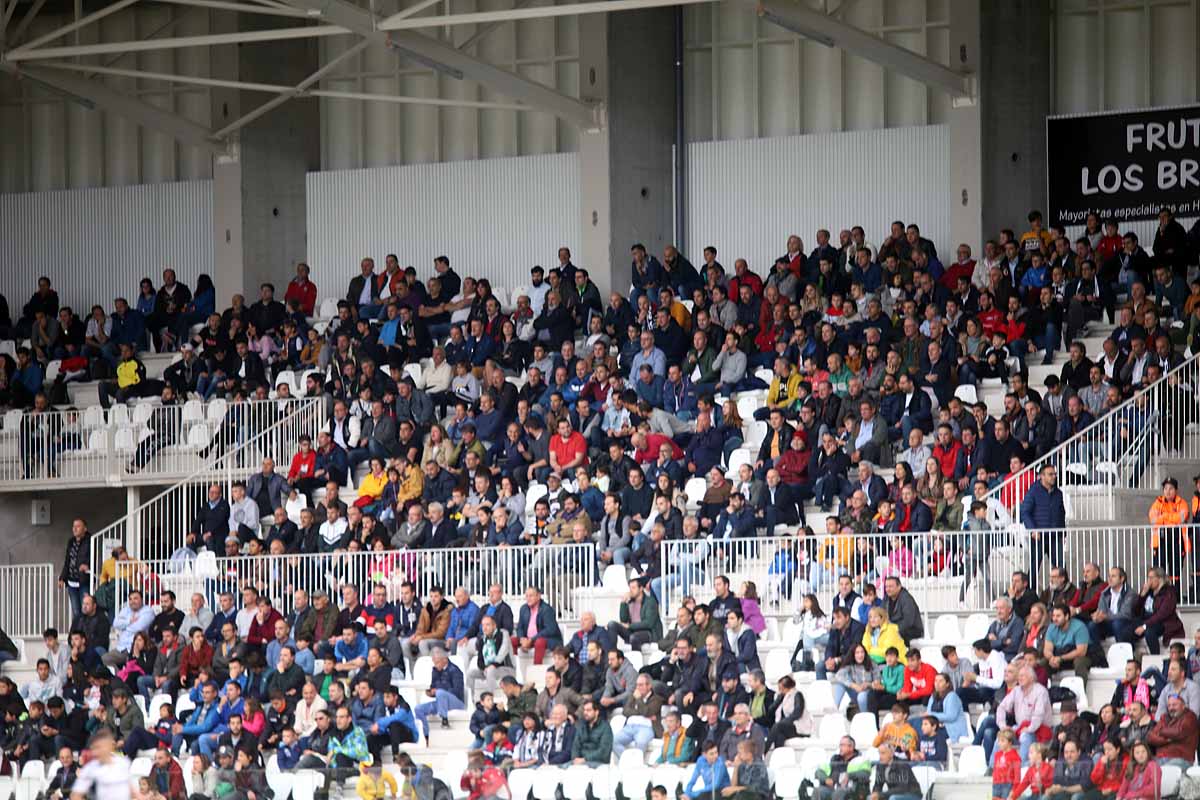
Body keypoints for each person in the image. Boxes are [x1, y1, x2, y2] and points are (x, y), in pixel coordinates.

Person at [69, 729, 131, 800]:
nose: (95, 752)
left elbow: (130, 787)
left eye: (99, 747)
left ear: (110, 746)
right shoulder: (90, 768)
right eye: (94, 748)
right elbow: (75, 795)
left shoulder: (123, 762)